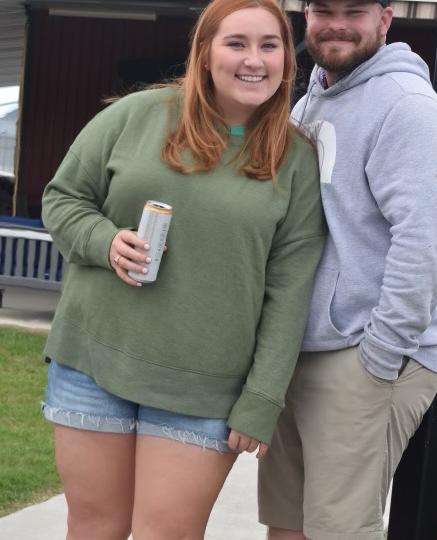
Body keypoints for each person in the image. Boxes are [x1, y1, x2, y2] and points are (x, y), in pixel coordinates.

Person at [40, 0, 325, 538]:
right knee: (95, 527)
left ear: (288, 60)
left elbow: (289, 292)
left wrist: (262, 398)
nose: (254, 60)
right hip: (94, 361)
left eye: (269, 46)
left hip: (203, 390)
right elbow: (64, 198)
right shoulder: (136, 116)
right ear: (204, 52)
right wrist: (105, 241)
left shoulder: (295, 160)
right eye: (236, 43)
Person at [258, 1, 437, 539]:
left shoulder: (407, 107)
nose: (337, 24)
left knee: (339, 532)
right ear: (306, 16)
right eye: (324, 10)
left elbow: (427, 241)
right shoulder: (309, 102)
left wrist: (380, 356)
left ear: (385, 20)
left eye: (355, 11)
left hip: (364, 355)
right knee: (287, 527)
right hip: (303, 351)